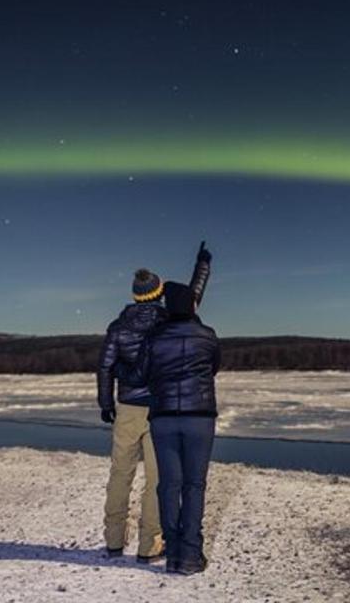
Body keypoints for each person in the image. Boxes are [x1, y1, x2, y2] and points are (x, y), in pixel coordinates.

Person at [97, 242, 212, 562]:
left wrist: (106, 403)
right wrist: (203, 265)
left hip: (128, 410)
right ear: (159, 293)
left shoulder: (118, 327)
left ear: (136, 295)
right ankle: (149, 545)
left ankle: (114, 541)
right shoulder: (169, 321)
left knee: (120, 473)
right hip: (160, 410)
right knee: (157, 479)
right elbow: (194, 294)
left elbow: (105, 365)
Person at [124, 276, 221, 575]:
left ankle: (174, 553)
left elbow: (138, 376)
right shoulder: (207, 335)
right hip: (199, 418)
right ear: (190, 305)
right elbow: (214, 367)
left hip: (164, 418)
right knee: (194, 485)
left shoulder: (154, 337)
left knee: (168, 485)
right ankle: (191, 555)